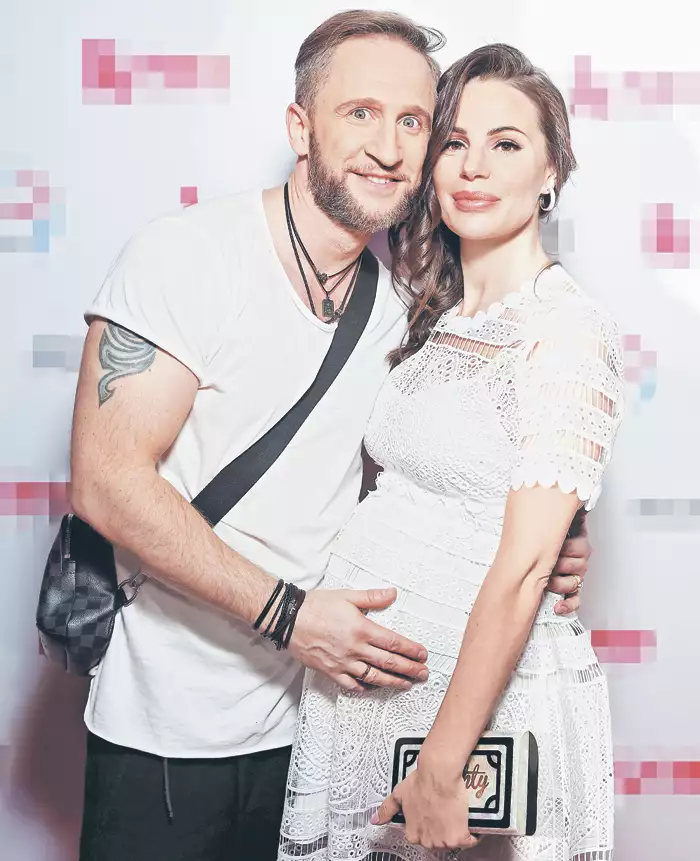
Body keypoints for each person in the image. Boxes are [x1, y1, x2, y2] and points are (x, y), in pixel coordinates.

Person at [70, 12, 592, 861]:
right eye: (360, 113)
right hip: (172, 733)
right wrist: (290, 617)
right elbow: (106, 482)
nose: (388, 147)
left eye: (413, 121)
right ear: (300, 127)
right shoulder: (187, 256)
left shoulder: (404, 310)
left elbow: (424, 475)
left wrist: (556, 533)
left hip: (326, 731)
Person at [278, 43, 624, 861]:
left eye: (506, 143)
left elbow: (524, 569)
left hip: (473, 727)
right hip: (376, 700)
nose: (474, 166)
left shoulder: (564, 329)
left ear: (551, 171)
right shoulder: (435, 314)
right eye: (455, 142)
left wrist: (442, 760)